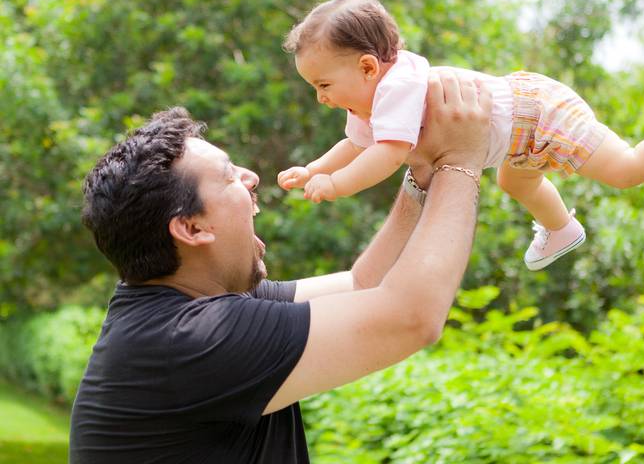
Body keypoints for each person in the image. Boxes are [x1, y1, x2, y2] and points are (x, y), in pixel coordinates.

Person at [69, 71, 492, 463]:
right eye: (229, 175)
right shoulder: (194, 339)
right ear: (192, 227)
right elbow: (411, 318)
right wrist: (461, 162)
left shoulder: (190, 307)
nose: (250, 176)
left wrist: (421, 172)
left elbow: (363, 284)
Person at [277, 0, 644, 271]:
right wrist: (315, 168)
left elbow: (386, 154)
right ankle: (561, 229)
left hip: (537, 113)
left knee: (624, 168)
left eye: (323, 84)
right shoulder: (367, 103)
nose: (320, 96)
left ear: (367, 67)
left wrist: (337, 185)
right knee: (514, 181)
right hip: (517, 134)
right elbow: (354, 144)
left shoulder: (397, 85)